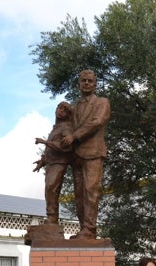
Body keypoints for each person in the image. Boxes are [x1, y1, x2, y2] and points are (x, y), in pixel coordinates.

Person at [61, 70, 111, 239]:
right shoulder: (75, 108)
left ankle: (90, 229)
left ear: (95, 83)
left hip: (94, 153)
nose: (87, 83)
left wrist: (74, 136)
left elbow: (96, 122)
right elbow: (67, 127)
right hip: (77, 156)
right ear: (79, 84)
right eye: (84, 81)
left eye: (90, 81)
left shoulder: (102, 102)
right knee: (79, 194)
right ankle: (84, 228)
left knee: (91, 191)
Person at [34, 101, 74, 225]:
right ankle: (51, 217)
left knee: (52, 188)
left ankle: (52, 218)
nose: (61, 111)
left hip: (59, 163)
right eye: (60, 108)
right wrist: (42, 161)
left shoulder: (66, 128)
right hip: (51, 163)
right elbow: (51, 149)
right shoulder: (56, 128)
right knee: (48, 189)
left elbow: (65, 147)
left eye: (65, 110)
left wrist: (45, 142)